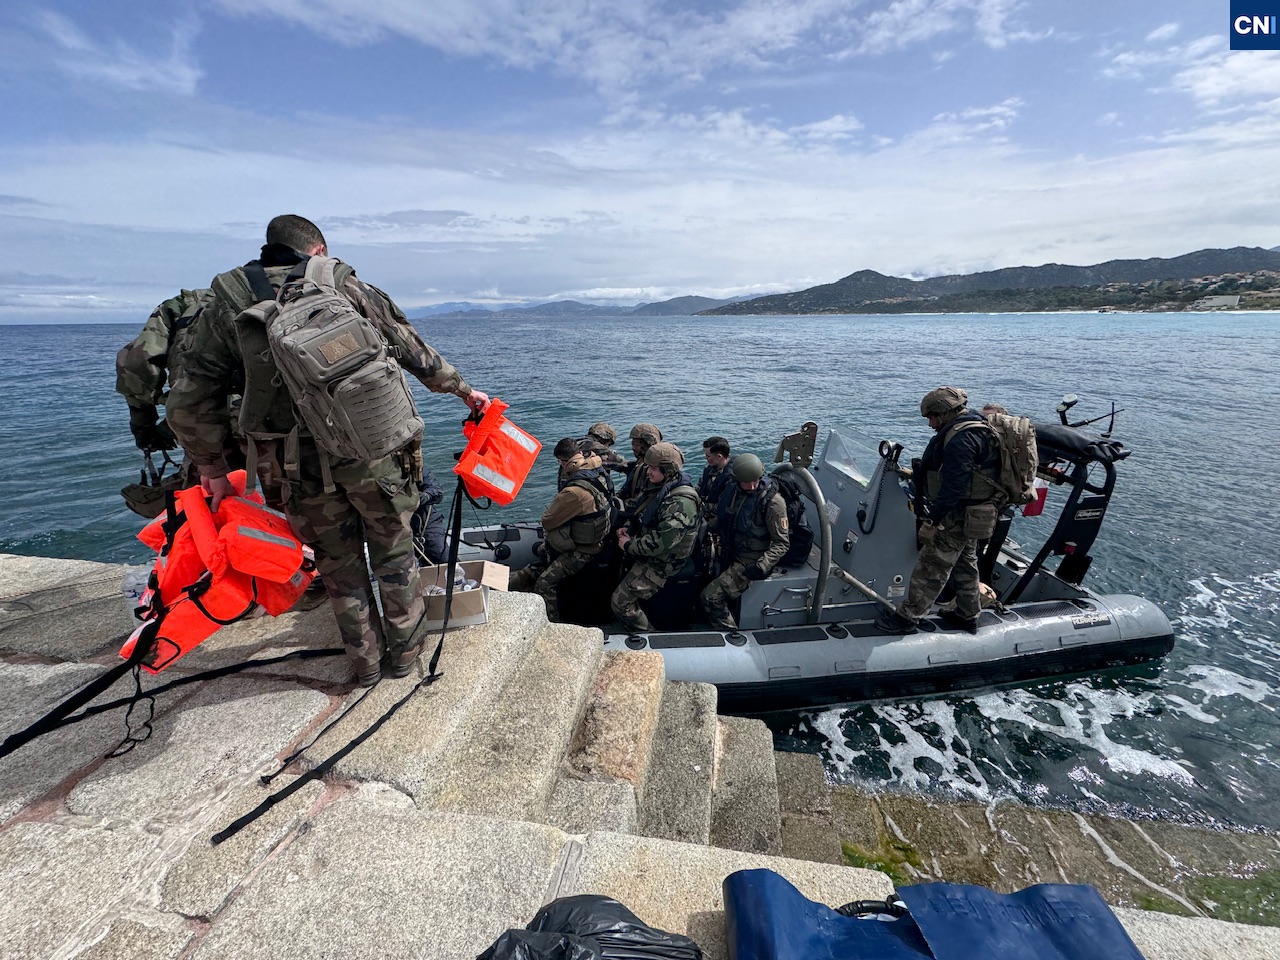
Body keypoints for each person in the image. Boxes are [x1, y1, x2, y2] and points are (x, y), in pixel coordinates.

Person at [167, 214, 489, 686]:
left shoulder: (227, 302)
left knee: (339, 569)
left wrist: (212, 465)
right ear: (318, 249)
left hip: (295, 465)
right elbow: (412, 349)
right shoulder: (342, 284)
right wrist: (462, 390)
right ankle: (406, 659)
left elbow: (188, 401)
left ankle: (366, 665)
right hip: (374, 453)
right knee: (395, 556)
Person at [876, 386, 1001, 636]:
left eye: (931, 417)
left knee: (933, 565)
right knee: (966, 563)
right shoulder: (975, 427)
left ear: (943, 413)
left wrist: (933, 519)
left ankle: (908, 618)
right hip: (972, 515)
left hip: (955, 516)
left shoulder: (962, 438)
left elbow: (955, 485)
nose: (930, 423)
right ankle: (967, 614)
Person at [510, 438, 613, 621]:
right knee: (543, 554)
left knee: (544, 583)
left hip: (583, 550)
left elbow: (548, 521)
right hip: (598, 538)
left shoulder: (573, 491)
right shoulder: (597, 469)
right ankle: (517, 582)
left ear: (563, 461)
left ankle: (552, 624)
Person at [612, 442, 700, 633]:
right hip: (649, 549)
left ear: (667, 470)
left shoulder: (680, 503)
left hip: (664, 562)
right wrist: (628, 527)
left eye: (652, 468)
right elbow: (641, 511)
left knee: (620, 602)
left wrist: (628, 546)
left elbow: (661, 542)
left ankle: (649, 636)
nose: (648, 472)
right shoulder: (660, 488)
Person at [700, 453, 790, 630]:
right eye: (746, 482)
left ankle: (731, 634)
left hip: (750, 560)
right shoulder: (734, 491)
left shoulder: (773, 502)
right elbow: (725, 514)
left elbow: (781, 542)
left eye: (755, 480)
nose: (752, 486)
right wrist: (702, 530)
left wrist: (761, 566)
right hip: (731, 550)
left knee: (710, 597)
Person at [618, 422, 663, 512]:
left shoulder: (651, 470)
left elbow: (641, 501)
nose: (633, 447)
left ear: (648, 444)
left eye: (637, 444)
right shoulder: (640, 462)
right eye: (633, 443)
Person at [697, 436, 736, 521]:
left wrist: (697, 505)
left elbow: (722, 505)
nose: (705, 458)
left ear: (719, 456)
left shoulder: (731, 478)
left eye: (708, 456)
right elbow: (700, 486)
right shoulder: (711, 468)